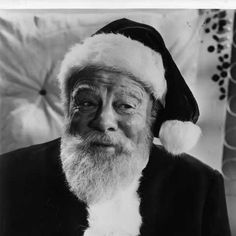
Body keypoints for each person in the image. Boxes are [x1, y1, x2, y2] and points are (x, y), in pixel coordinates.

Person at [0, 18, 231, 236]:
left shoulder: (200, 186)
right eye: (87, 102)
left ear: (152, 115)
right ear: (69, 105)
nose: (103, 122)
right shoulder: (8, 174)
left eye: (126, 105)